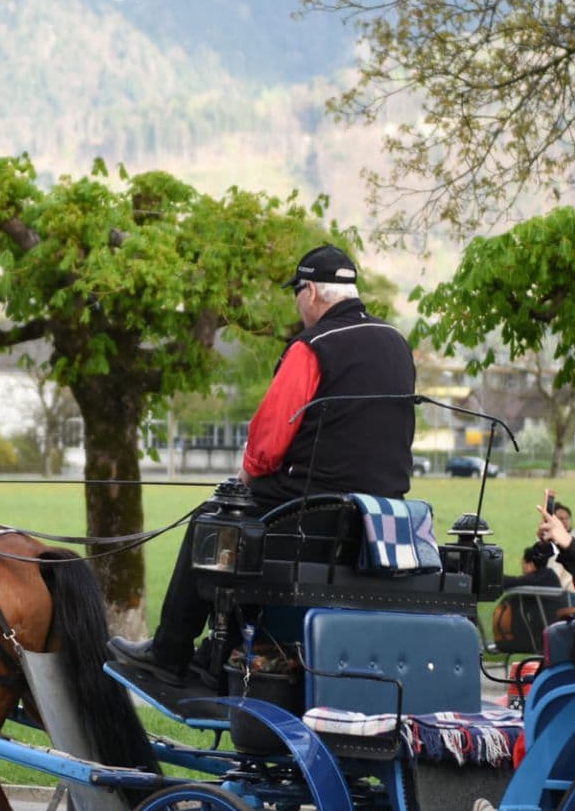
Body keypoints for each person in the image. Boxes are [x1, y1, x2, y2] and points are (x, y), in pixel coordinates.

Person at [109, 243, 417, 683]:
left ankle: (168, 652)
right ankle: (222, 649)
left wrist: (242, 482)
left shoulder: (311, 347)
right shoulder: (396, 342)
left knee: (213, 520)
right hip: (378, 516)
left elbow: (268, 439)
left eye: (297, 293)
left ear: (310, 292)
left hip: (313, 513)